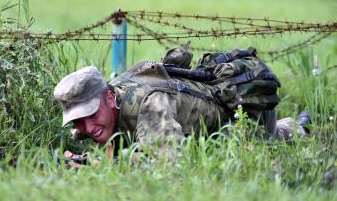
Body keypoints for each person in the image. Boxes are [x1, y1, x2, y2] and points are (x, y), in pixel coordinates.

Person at [53, 46, 311, 164]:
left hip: (240, 117)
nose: (87, 126)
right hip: (201, 131)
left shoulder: (150, 105)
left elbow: (168, 163)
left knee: (259, 152)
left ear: (110, 98)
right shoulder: (106, 107)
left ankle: (299, 130)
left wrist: (103, 167)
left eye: (91, 114)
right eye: (78, 119)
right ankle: (295, 126)